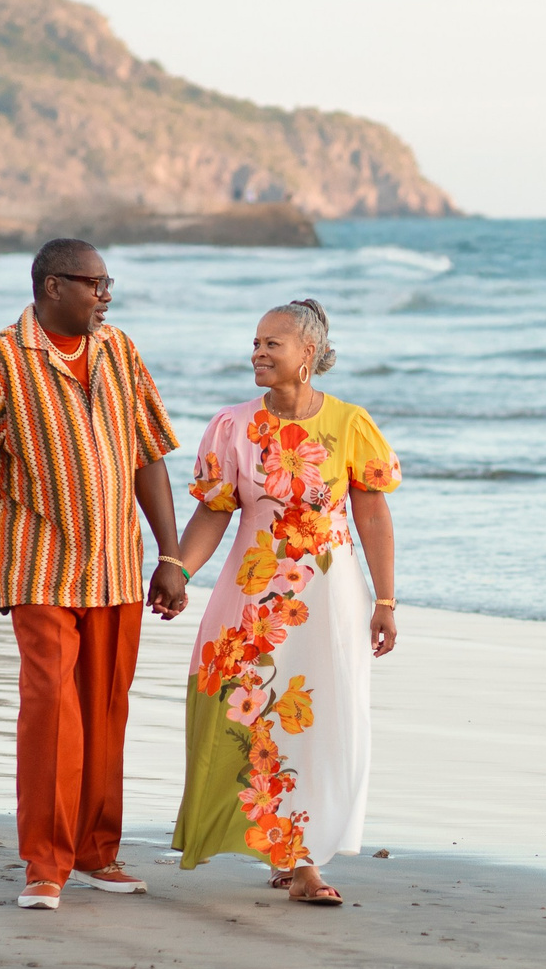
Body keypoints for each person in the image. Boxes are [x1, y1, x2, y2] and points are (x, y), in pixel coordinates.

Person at [0, 238, 188, 910]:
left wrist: (170, 556)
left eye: (109, 284)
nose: (105, 296)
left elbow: (148, 456)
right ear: (53, 286)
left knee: (107, 712)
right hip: (40, 568)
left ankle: (95, 852)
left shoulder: (120, 351)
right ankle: (45, 864)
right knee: (52, 711)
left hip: (118, 568)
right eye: (94, 283)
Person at [168, 300, 400, 905]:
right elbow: (213, 513)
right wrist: (177, 571)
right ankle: (282, 846)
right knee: (247, 713)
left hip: (330, 600)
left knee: (323, 718)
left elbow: (373, 515)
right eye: (255, 343)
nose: (258, 353)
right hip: (249, 602)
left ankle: (304, 859)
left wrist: (386, 600)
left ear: (308, 354)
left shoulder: (350, 424)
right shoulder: (232, 427)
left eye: (273, 343)